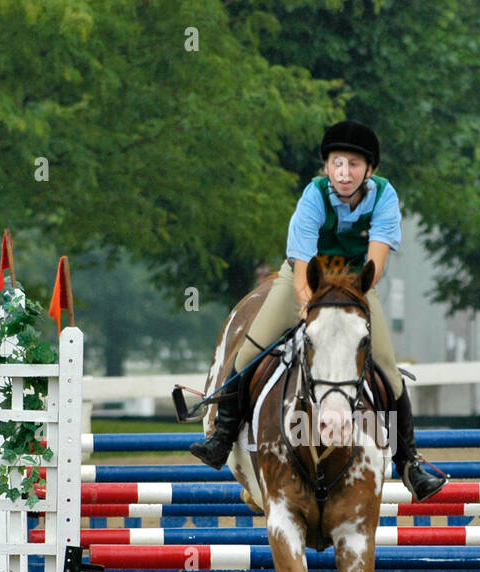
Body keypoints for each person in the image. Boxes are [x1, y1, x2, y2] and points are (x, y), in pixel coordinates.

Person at [189, 119, 446, 501]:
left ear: (369, 170)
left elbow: (374, 263)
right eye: (337, 164)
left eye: (354, 165)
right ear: (327, 166)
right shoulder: (313, 196)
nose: (344, 173)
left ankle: (408, 461)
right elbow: (302, 266)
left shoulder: (386, 197)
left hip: (356, 285)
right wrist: (312, 307)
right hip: (303, 282)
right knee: (247, 353)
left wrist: (348, 300)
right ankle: (222, 438)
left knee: (388, 369)